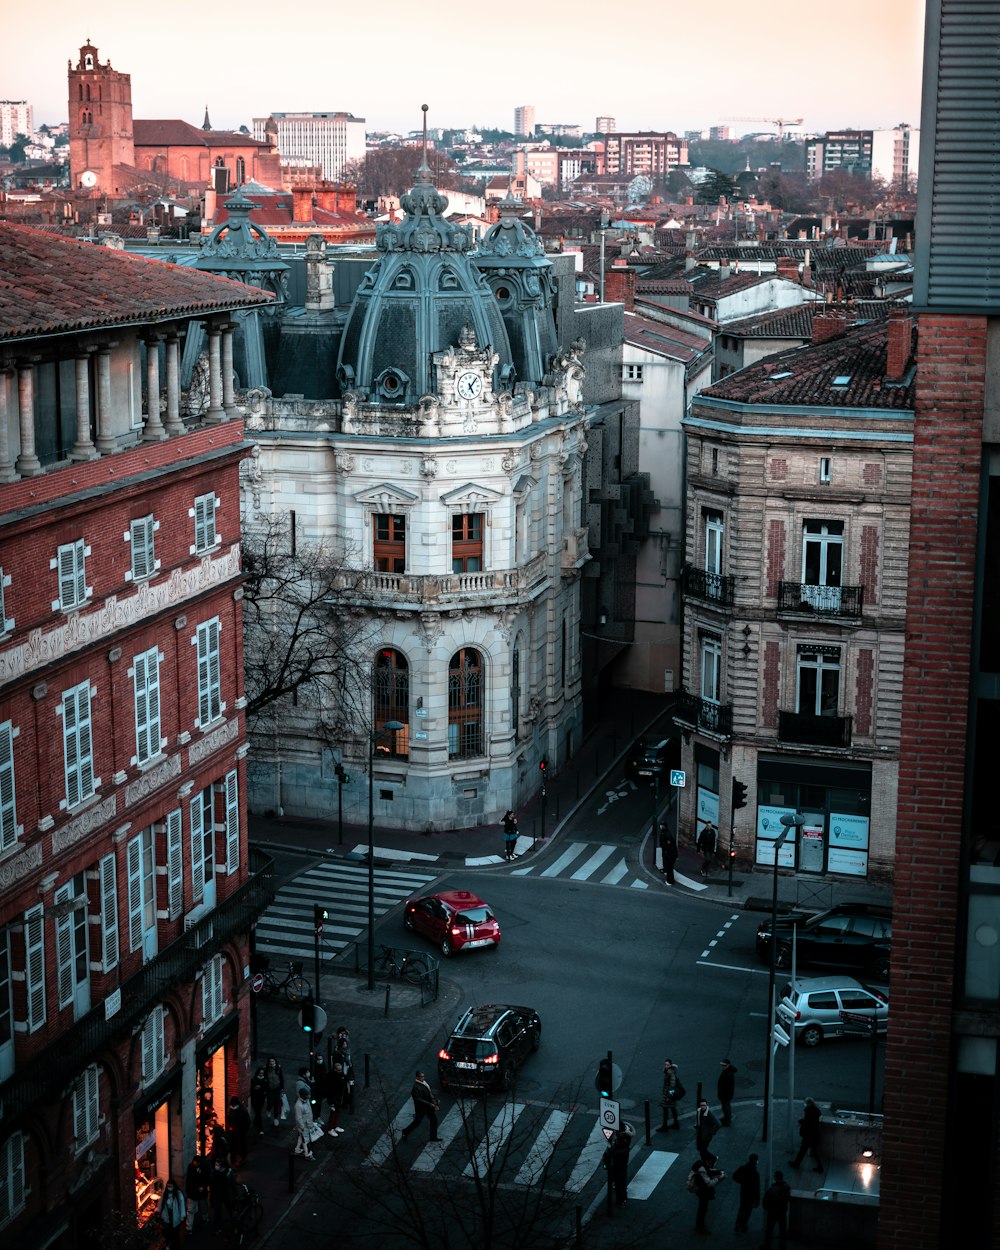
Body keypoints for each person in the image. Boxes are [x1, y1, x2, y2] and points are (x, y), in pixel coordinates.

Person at [400, 1070, 440, 1143]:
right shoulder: (416, 1087)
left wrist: (435, 1101)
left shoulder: (424, 1083)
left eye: (423, 1076)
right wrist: (430, 1104)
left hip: (428, 1107)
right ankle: (405, 1132)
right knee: (417, 1123)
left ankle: (433, 1137)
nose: (423, 1078)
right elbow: (418, 1099)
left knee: (434, 1120)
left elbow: (429, 1093)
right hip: (421, 1109)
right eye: (421, 1077)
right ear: (417, 1077)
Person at [689, 1157, 724, 1235]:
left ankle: (700, 1226)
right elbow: (709, 1183)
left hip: (699, 1190)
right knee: (702, 1209)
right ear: (709, 1162)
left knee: (702, 1208)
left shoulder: (701, 1166)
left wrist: (717, 1171)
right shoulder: (702, 1170)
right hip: (703, 1191)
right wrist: (719, 1178)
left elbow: (708, 1171)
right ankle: (700, 1227)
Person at [788, 1096, 824, 1172]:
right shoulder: (816, 1111)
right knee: (813, 1151)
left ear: (809, 1103)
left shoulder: (809, 1111)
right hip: (814, 1135)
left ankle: (797, 1164)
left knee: (803, 1150)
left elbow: (808, 1123)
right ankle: (819, 1167)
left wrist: (802, 1122)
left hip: (809, 1135)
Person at [604, 1122, 634, 1206]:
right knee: (622, 1179)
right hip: (622, 1161)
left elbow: (615, 1148)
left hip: (619, 1161)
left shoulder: (622, 1138)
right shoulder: (626, 1137)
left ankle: (620, 1200)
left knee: (619, 1180)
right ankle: (623, 1197)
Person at [761, 1169, 792, 1249]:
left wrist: (768, 1208)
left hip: (772, 1212)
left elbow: (766, 1201)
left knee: (769, 1230)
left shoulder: (772, 1189)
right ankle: (782, 1246)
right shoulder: (787, 1188)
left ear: (776, 1177)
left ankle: (767, 1245)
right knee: (782, 1230)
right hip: (782, 1212)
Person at [732, 1151, 760, 1233]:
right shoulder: (755, 1173)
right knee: (748, 1211)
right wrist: (757, 1199)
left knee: (742, 1208)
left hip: (743, 1192)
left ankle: (738, 1223)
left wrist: (741, 1181)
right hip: (751, 1194)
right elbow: (757, 1187)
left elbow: (734, 1176)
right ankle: (743, 1225)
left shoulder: (743, 1168)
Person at [208, 1155, 237, 1234]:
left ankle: (236, 1225)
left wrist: (235, 1195)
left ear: (222, 1165)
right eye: (216, 1164)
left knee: (231, 1210)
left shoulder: (228, 1173)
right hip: (218, 1195)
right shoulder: (214, 1173)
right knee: (217, 1213)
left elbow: (233, 1185)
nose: (216, 1166)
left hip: (226, 1194)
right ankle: (217, 1228)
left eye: (217, 1164)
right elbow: (212, 1185)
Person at [158, 1176, 187, 1249]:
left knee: (175, 1233)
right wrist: (159, 1211)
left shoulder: (178, 1194)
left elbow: (182, 1205)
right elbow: (161, 1203)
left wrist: (182, 1216)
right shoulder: (165, 1194)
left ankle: (175, 1245)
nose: (169, 1188)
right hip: (167, 1216)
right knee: (168, 1232)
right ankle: (169, 1245)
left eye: (170, 1186)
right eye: (168, 1186)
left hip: (175, 1216)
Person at [184, 1153, 210, 1234]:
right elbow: (189, 1181)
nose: (194, 1164)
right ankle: (189, 1228)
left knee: (203, 1206)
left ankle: (204, 1218)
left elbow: (207, 1179)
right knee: (191, 1210)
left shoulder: (204, 1168)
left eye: (195, 1162)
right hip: (193, 1192)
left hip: (199, 1192)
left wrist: (203, 1187)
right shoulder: (191, 1167)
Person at [657, 1058, 684, 1131]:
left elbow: (672, 1085)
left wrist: (669, 1096)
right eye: (665, 1064)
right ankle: (675, 1124)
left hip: (668, 1095)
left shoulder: (670, 1073)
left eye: (667, 1065)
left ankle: (665, 1126)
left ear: (670, 1065)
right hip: (668, 1094)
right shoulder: (669, 1072)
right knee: (672, 1108)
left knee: (666, 1110)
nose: (666, 1066)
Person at [695, 1097, 721, 1166]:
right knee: (700, 1149)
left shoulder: (709, 1114)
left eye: (704, 1105)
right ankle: (704, 1160)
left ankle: (713, 1158)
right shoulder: (699, 1111)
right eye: (701, 1105)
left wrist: (711, 1132)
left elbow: (718, 1124)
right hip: (700, 1133)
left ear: (706, 1105)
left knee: (703, 1150)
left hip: (706, 1136)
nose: (703, 1107)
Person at [227, 1095, 252, 1166]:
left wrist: (244, 1130)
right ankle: (235, 1160)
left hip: (241, 1132)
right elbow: (229, 1119)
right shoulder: (232, 1110)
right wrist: (230, 1126)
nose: (232, 1107)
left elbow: (247, 1122)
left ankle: (241, 1158)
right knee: (234, 1146)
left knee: (241, 1145)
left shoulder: (243, 1111)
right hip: (234, 1132)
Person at [325, 1060, 348, 1136]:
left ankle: (334, 1126)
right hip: (334, 1099)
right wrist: (331, 1102)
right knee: (333, 1114)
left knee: (337, 1113)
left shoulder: (340, 1075)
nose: (340, 1071)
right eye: (339, 1070)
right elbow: (330, 1091)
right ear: (335, 1069)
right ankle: (330, 1128)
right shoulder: (331, 1077)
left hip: (339, 1097)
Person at [293, 1088, 317, 1159]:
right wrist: (302, 1127)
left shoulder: (306, 1101)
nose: (309, 1096)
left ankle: (297, 1149)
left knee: (301, 1137)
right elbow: (298, 1118)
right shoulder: (298, 1105)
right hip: (303, 1126)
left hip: (307, 1124)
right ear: (302, 1095)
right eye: (307, 1095)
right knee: (305, 1140)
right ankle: (307, 1153)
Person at [264, 1055, 285, 1128]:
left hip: (277, 1088)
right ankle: (268, 1109)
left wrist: (282, 1088)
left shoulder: (278, 1068)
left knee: (277, 1103)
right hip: (269, 1088)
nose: (272, 1063)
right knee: (270, 1101)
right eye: (270, 1061)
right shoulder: (266, 1069)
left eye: (273, 1061)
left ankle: (276, 1118)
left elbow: (281, 1078)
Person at [717, 1058, 737, 1127]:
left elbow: (727, 1087)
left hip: (725, 1095)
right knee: (726, 1106)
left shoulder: (728, 1074)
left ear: (728, 1065)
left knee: (725, 1107)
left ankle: (727, 1121)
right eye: (722, 1065)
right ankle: (726, 1117)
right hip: (726, 1094)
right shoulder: (727, 1071)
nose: (723, 1066)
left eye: (724, 1065)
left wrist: (722, 1094)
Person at [250, 1065, 268, 1135]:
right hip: (255, 1098)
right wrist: (255, 1088)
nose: (261, 1075)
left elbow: (266, 1088)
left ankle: (255, 1123)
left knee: (258, 1112)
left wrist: (262, 1089)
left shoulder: (265, 1080)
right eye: (260, 1073)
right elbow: (251, 1089)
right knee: (258, 1113)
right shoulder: (254, 1080)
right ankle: (260, 1128)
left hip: (261, 1098)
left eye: (262, 1073)